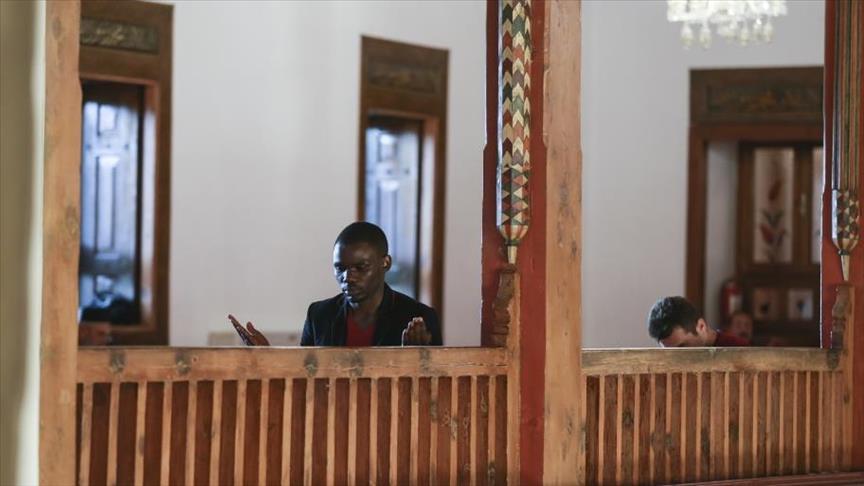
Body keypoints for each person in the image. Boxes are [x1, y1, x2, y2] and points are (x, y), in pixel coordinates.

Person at [229, 221, 442, 347]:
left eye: (360, 267)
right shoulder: (320, 315)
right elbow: (304, 379)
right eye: (340, 268)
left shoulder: (418, 317)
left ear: (385, 263)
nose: (348, 277)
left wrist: (417, 358)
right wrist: (267, 357)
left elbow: (433, 392)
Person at [647, 296, 749, 347]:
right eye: (668, 353)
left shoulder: (742, 350)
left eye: (682, 347)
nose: (675, 360)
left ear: (701, 326)